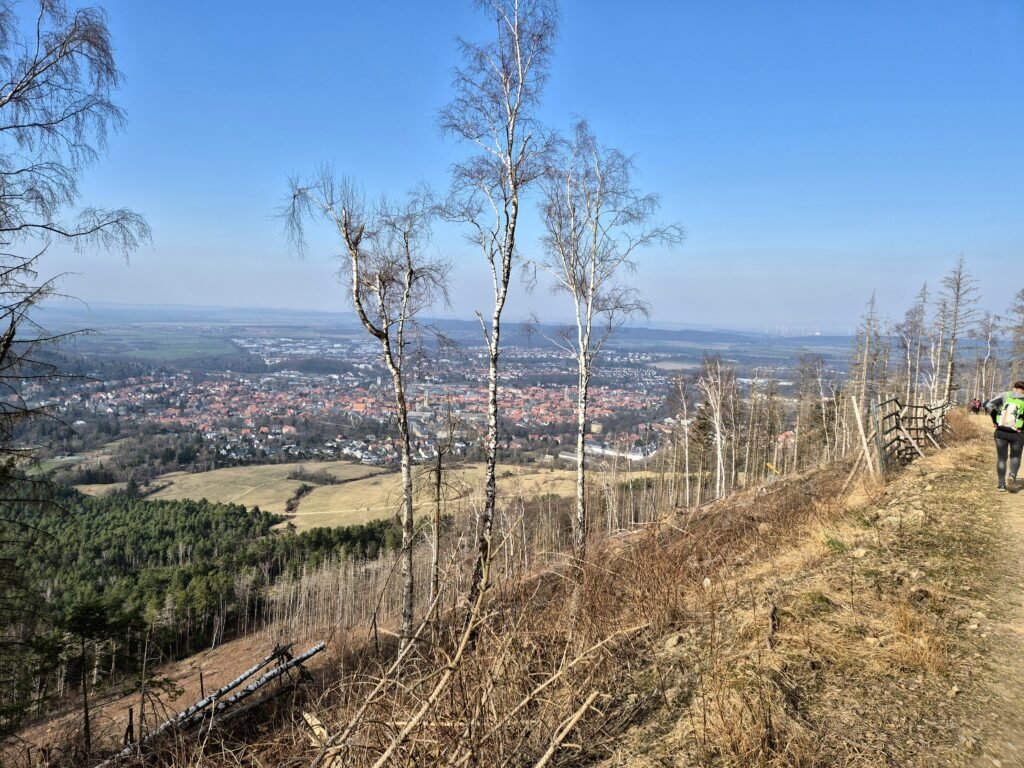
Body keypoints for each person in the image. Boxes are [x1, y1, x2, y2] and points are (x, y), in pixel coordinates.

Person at [984, 381, 1024, 491]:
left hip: (1001, 431)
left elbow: (988, 405)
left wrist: (995, 419)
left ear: (1014, 388)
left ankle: (1001, 484)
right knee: (1015, 457)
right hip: (1018, 433)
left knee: (1002, 458)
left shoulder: (1005, 395)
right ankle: (1012, 475)